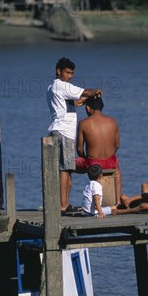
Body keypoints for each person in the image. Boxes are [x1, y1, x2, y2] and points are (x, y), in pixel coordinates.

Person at [47, 57, 102, 214]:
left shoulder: (52, 87)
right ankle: (63, 205)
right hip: (64, 131)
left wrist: (85, 99)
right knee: (65, 169)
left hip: (61, 131)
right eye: (68, 72)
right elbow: (84, 92)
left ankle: (65, 203)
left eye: (72, 73)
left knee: (67, 169)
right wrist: (96, 91)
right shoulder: (61, 85)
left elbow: (76, 102)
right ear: (59, 71)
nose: (70, 76)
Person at [75, 96, 122, 203]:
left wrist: (85, 157)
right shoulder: (113, 121)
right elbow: (117, 145)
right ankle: (118, 200)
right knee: (117, 170)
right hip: (110, 162)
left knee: (66, 166)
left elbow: (79, 148)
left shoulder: (83, 123)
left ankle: (64, 203)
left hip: (92, 163)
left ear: (88, 108)